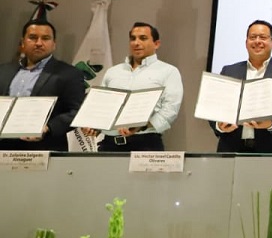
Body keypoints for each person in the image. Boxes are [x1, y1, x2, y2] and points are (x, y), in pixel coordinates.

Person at [83, 22, 183, 152]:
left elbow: (170, 110)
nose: (136, 43)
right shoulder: (113, 72)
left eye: (143, 38)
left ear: (156, 44)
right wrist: (94, 125)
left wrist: (141, 126)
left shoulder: (168, 71)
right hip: (109, 144)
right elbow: (102, 106)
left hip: (145, 144)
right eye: (133, 38)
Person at [212, 20, 272, 153]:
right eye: (253, 37)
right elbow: (214, 106)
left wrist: (271, 124)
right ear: (246, 43)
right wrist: (219, 125)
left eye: (263, 37)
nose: (257, 41)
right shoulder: (229, 71)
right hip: (231, 147)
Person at [0, 19, 85, 151]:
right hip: (3, 146)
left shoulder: (69, 74)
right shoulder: (3, 71)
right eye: (33, 37)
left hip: (44, 148)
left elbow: (77, 111)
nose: (39, 43)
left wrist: (48, 127)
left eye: (45, 38)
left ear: (54, 44)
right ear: (23, 42)